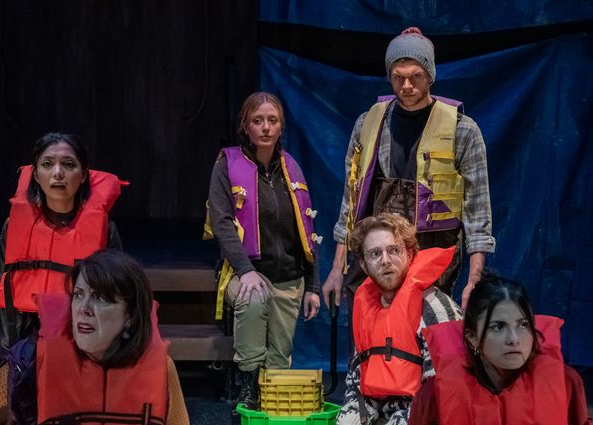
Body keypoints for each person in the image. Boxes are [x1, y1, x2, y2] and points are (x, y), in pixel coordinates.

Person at [322, 27, 496, 313]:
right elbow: (350, 202)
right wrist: (336, 269)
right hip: (378, 254)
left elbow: (478, 212)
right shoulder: (368, 123)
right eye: (398, 77)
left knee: (421, 338)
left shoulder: (462, 130)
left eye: (415, 76)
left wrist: (474, 279)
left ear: (430, 75)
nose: (406, 85)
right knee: (369, 340)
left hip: (431, 256)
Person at [0, 249, 189, 425]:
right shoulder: (31, 361)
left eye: (100, 298)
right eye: (78, 295)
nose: (83, 308)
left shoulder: (162, 370)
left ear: (130, 316)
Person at [204, 91, 321, 409]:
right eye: (258, 121)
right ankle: (247, 382)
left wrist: (312, 286)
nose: (266, 127)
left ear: (281, 126)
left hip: (289, 276)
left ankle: (270, 401)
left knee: (280, 358)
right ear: (246, 125)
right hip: (245, 272)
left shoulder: (291, 169)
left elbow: (307, 229)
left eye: (272, 121)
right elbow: (223, 223)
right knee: (253, 298)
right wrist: (246, 270)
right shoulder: (227, 165)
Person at [0, 132, 125, 350]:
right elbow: (3, 281)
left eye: (69, 165)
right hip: (26, 337)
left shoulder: (105, 229)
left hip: (82, 339)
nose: (58, 173)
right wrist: (12, 350)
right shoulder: (13, 226)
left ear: (83, 175)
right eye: (47, 164)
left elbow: (116, 291)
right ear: (35, 174)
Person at [408, 271, 592, 425]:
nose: (514, 339)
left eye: (523, 325)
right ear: (472, 338)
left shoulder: (566, 383)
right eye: (498, 327)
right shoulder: (434, 396)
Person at [337, 214, 462, 425]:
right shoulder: (367, 310)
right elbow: (356, 384)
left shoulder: (436, 309)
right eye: (375, 254)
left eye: (394, 250)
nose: (385, 260)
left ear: (410, 254)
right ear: (364, 265)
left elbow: (447, 391)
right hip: (380, 413)